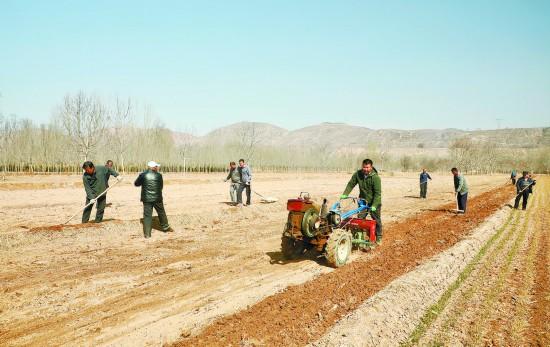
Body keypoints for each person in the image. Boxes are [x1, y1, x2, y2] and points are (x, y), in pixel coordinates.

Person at [341, 158, 382, 246]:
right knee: (359, 219)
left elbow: (378, 194)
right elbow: (351, 184)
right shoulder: (358, 174)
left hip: (374, 202)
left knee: (376, 220)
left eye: (367, 167)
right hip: (363, 202)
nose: (365, 169)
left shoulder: (375, 178)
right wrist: (345, 194)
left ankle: (378, 237)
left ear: (371, 167)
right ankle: (359, 236)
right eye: (364, 167)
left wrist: (374, 205)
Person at [134, 161, 172, 238]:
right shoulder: (159, 175)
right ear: (153, 167)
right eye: (156, 166)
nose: (157, 167)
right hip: (157, 198)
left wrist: (141, 178)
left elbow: (136, 184)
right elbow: (161, 187)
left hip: (147, 199)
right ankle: (165, 227)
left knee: (147, 216)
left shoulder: (143, 175)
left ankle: (147, 234)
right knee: (161, 212)